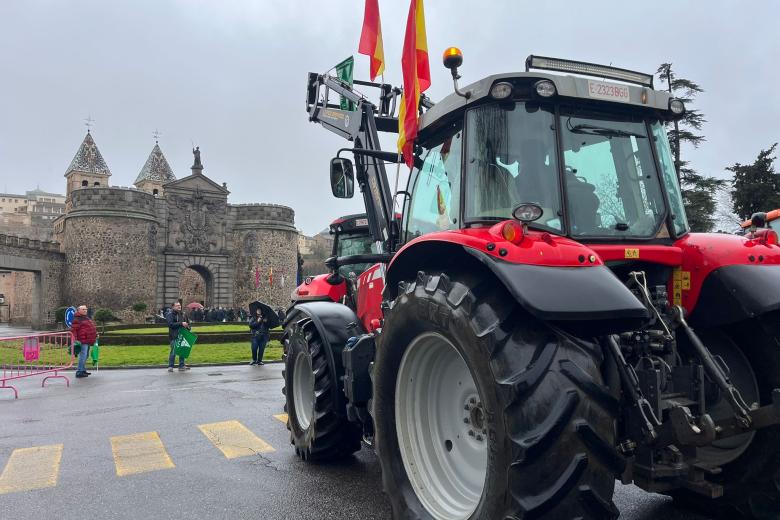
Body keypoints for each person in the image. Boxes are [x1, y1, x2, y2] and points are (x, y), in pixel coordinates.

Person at [71, 305, 97, 378]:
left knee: (86, 355)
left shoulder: (85, 317)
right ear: (78, 310)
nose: (85, 310)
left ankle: (82, 370)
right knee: (83, 356)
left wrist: (95, 334)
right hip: (82, 340)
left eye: (86, 309)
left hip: (87, 340)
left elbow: (89, 328)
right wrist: (75, 340)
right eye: (83, 309)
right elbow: (73, 330)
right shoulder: (77, 319)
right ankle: (79, 371)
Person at [166, 302, 191, 372]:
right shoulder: (169, 315)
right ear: (173, 307)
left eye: (179, 305)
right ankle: (170, 366)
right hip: (174, 336)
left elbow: (188, 323)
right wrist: (181, 323)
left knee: (182, 351)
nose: (179, 306)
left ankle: (181, 365)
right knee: (173, 351)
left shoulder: (183, 314)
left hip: (183, 335)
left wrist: (188, 327)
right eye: (177, 306)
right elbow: (170, 324)